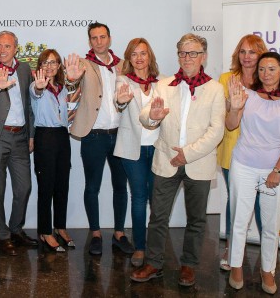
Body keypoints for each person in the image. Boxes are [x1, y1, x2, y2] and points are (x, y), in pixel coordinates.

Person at [130, 33, 225, 287]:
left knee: (196, 220)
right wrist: (153, 115)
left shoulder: (216, 89)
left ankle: (188, 266)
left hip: (199, 162)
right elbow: (145, 117)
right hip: (165, 160)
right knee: (158, 217)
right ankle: (154, 263)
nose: (187, 58)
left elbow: (216, 131)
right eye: (183, 53)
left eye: (193, 53)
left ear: (203, 56)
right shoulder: (164, 85)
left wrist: (188, 153)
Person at [226, 52, 280, 294]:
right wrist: (234, 108)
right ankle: (236, 266)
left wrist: (277, 170)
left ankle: (267, 270)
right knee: (239, 220)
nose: (265, 74)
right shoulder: (246, 95)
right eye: (261, 69)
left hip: (274, 170)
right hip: (244, 165)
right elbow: (231, 125)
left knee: (270, 225)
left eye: (271, 69)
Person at [64, 22, 132, 256]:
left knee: (120, 187)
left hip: (121, 135)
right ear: (90, 41)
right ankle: (95, 233)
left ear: (110, 39)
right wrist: (71, 80)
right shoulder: (82, 65)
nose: (99, 41)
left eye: (103, 37)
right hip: (93, 137)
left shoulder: (124, 65)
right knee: (92, 187)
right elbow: (71, 88)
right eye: (94, 38)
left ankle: (120, 233)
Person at [0, 31, 36, 256]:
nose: (2, 50)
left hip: (21, 137)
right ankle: (1, 235)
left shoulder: (23, 69)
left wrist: (31, 135)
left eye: (7, 46)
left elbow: (29, 103)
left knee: (24, 187)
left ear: (16, 48)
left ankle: (16, 229)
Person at [216, 34, 267, 270]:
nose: (247, 57)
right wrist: (231, 103)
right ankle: (231, 248)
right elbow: (223, 118)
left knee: (261, 205)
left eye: (252, 52)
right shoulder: (226, 79)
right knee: (235, 201)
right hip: (232, 149)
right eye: (243, 52)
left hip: (262, 152)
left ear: (261, 54)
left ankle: (267, 256)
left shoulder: (268, 79)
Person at [113, 38, 161, 266]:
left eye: (143, 53)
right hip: (133, 150)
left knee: (156, 199)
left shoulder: (161, 84)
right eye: (134, 54)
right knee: (139, 198)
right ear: (129, 59)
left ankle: (155, 247)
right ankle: (140, 248)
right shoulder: (123, 80)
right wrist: (120, 102)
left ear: (149, 56)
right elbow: (119, 102)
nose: (139, 58)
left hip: (158, 149)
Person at [30, 49, 71, 253]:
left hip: (63, 137)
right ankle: (45, 232)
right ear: (40, 66)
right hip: (45, 137)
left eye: (54, 62)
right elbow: (35, 93)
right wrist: (39, 87)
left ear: (59, 66)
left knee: (62, 185)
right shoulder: (36, 85)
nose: (50, 66)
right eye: (45, 63)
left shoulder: (63, 88)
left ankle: (60, 227)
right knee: (46, 187)